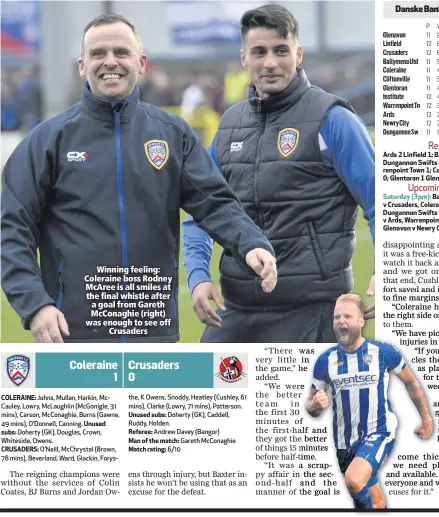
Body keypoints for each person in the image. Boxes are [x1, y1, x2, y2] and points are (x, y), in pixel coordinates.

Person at [1, 13, 278, 343]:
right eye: (98, 54)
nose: (110, 62)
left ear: (141, 62)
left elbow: (215, 203)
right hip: (71, 334)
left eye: (121, 52)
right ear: (81, 65)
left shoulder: (173, 135)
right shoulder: (48, 140)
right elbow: (12, 228)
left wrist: (249, 243)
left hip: (153, 335)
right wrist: (36, 305)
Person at [182, 4, 375, 343]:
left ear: (297, 54)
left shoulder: (333, 120)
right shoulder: (228, 126)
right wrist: (198, 276)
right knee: (201, 393)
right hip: (238, 310)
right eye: (259, 52)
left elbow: (381, 204)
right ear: (244, 59)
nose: (270, 62)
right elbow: (201, 211)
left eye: (280, 50)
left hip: (311, 312)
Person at [306, 294, 433, 509]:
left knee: (354, 482)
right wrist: (314, 406)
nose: (341, 321)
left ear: (361, 320)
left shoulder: (382, 352)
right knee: (375, 501)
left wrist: (426, 418)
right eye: (337, 317)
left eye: (347, 316)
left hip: (379, 432)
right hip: (344, 442)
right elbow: (311, 404)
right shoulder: (325, 360)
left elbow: (411, 383)